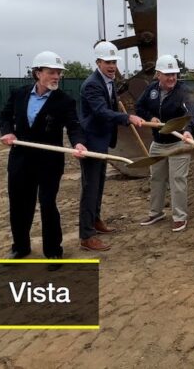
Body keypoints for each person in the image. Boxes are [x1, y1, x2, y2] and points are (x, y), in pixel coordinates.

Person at [0, 51, 87, 259]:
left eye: (59, 73)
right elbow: (4, 116)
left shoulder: (64, 101)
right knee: (20, 204)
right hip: (20, 159)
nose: (56, 77)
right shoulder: (19, 94)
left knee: (47, 204)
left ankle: (54, 251)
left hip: (49, 162)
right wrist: (7, 132)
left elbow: (74, 126)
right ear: (38, 73)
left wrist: (79, 143)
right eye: (51, 72)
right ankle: (21, 246)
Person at [78, 40, 137, 251]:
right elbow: (101, 112)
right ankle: (86, 235)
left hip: (102, 141)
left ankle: (95, 220)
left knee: (99, 184)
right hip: (91, 141)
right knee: (90, 187)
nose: (112, 66)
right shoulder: (93, 84)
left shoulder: (108, 81)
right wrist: (126, 118)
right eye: (107, 62)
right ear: (98, 62)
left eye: (114, 62)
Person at [133, 55, 194, 232]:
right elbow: (139, 107)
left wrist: (188, 130)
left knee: (177, 180)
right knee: (156, 178)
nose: (171, 78)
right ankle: (156, 213)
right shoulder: (151, 90)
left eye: (174, 74)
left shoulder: (184, 91)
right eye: (167, 74)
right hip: (158, 143)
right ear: (158, 75)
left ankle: (179, 217)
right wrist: (149, 117)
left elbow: (191, 111)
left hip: (179, 143)